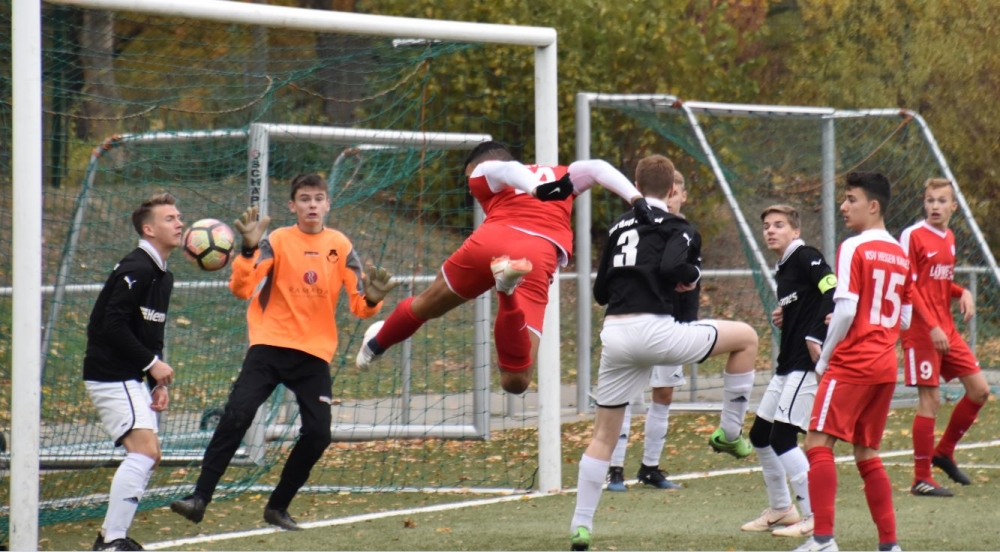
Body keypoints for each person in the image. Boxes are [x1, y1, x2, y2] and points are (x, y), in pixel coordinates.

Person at [171, 174, 398, 531]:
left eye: (318, 198)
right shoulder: (276, 240)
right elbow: (241, 288)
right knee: (236, 415)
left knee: (318, 434)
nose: (312, 204)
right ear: (292, 205)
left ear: (328, 204)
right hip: (269, 344)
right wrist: (248, 250)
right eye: (304, 198)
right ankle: (199, 498)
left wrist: (372, 298)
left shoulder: (340, 245)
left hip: (313, 354)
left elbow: (360, 306)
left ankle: (277, 507)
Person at [355, 141, 655, 395]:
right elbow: (598, 168)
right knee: (516, 380)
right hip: (534, 257)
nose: (472, 190)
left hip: (489, 243)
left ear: (478, 166)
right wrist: (636, 199)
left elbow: (507, 169)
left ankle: (375, 345)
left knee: (426, 304)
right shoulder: (563, 174)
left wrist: (537, 189)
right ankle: (506, 291)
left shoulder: (485, 171)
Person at [570, 155, 759, 551]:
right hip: (656, 332)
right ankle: (729, 433)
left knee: (602, 436)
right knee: (746, 338)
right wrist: (690, 277)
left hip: (615, 335)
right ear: (672, 190)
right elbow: (675, 267)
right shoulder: (678, 226)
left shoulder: (618, 227)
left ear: (636, 185)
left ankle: (581, 525)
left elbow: (601, 292)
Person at [795, 171, 910, 552]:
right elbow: (903, 318)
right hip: (884, 365)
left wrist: (824, 358)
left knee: (817, 442)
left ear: (873, 206)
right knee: (866, 452)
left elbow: (845, 310)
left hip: (853, 361)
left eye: (851, 199)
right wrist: (868, 320)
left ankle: (823, 540)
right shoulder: (900, 253)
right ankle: (889, 545)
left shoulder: (854, 247)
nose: (843, 207)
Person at [83, 193, 182, 551]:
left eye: (179, 217)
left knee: (149, 455)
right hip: (111, 373)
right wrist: (151, 364)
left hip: (130, 376)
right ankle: (112, 540)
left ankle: (110, 537)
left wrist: (156, 380)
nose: (180, 224)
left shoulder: (162, 275)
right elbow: (110, 325)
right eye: (170, 218)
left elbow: (150, 332)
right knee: (143, 453)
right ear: (148, 229)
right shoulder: (137, 267)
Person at [740, 205, 835, 539]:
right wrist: (786, 314)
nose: (770, 230)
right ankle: (782, 508)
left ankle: (815, 515)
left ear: (795, 231)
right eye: (766, 225)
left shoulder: (806, 256)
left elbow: (832, 291)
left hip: (804, 365)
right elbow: (807, 302)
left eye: (779, 225)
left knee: (782, 438)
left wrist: (816, 336)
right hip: (786, 365)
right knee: (760, 435)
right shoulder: (783, 267)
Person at [899, 178, 990, 496]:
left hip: (946, 327)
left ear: (953, 206)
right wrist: (931, 326)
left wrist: (962, 291)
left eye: (941, 201)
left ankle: (944, 452)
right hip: (922, 330)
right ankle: (921, 478)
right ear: (924, 203)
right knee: (931, 399)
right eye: (930, 200)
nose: (935, 206)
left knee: (979, 390)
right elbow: (909, 285)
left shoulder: (949, 237)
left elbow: (936, 282)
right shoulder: (912, 235)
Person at [606, 170, 695, 492]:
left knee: (664, 394)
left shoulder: (686, 232)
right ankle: (615, 468)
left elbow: (690, 281)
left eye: (677, 194)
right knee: (627, 394)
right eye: (669, 193)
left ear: (681, 195)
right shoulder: (639, 227)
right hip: (641, 320)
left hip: (673, 323)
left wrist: (688, 320)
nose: (670, 200)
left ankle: (650, 467)